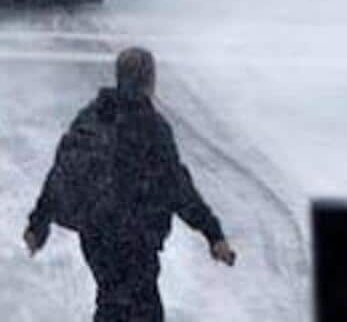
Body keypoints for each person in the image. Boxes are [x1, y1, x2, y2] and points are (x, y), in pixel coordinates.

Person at [24, 47, 237, 320]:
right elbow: (177, 186)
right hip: (134, 239)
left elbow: (62, 172)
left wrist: (38, 223)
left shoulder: (92, 116)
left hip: (96, 235)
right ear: (150, 81)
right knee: (138, 310)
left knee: (112, 302)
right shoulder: (151, 127)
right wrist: (213, 233)